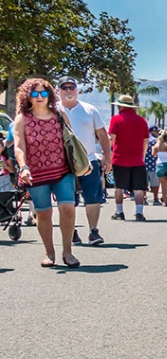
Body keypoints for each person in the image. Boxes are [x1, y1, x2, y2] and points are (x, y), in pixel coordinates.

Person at [10, 78, 80, 267]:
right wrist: (23, 166)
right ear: (28, 96)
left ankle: (68, 251)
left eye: (43, 93)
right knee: (43, 213)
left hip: (63, 170)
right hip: (35, 174)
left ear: (50, 94)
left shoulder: (60, 115)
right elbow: (19, 147)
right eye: (34, 93)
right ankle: (50, 252)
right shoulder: (22, 119)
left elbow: (71, 141)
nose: (39, 97)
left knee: (67, 208)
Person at [57, 76, 110, 246]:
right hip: (63, 163)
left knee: (93, 197)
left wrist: (107, 157)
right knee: (67, 199)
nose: (68, 90)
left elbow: (102, 134)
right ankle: (71, 231)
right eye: (64, 88)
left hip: (89, 160)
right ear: (58, 91)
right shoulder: (53, 110)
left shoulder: (90, 109)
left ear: (76, 90)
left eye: (71, 87)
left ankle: (93, 231)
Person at [107, 95, 150, 221]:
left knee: (119, 187)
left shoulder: (116, 119)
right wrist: (141, 156)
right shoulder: (142, 121)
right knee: (138, 188)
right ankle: (139, 213)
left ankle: (119, 212)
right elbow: (145, 141)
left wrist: (107, 155)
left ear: (120, 106)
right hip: (137, 160)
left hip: (119, 159)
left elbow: (112, 138)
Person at [145, 126, 161, 205]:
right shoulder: (155, 141)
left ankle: (143, 198)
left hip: (143, 165)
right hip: (153, 164)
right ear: (153, 131)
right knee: (155, 184)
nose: (158, 133)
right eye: (157, 131)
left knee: (143, 184)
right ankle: (155, 199)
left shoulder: (144, 139)